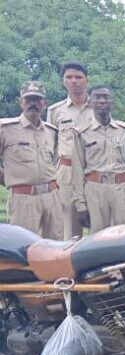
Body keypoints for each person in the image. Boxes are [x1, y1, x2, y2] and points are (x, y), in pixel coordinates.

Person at [70, 86, 125, 231]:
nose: (102, 101)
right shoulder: (81, 133)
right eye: (97, 97)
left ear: (112, 102)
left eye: (106, 97)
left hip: (122, 188)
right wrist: (81, 205)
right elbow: (77, 171)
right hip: (95, 189)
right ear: (90, 102)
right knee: (99, 239)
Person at [0, 82, 62, 239]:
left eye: (37, 100)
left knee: (55, 246)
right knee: (24, 246)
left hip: (51, 197)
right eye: (28, 100)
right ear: (21, 102)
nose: (33, 104)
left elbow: (54, 161)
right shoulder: (6, 129)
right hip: (24, 199)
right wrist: (6, 178)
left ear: (44, 104)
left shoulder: (51, 132)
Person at [47, 62, 92, 240]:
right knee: (70, 230)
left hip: (93, 172)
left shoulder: (99, 107)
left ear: (87, 80)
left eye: (78, 77)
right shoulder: (55, 111)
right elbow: (49, 148)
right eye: (69, 77)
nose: (74, 81)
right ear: (63, 81)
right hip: (66, 173)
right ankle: (68, 267)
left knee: (99, 225)